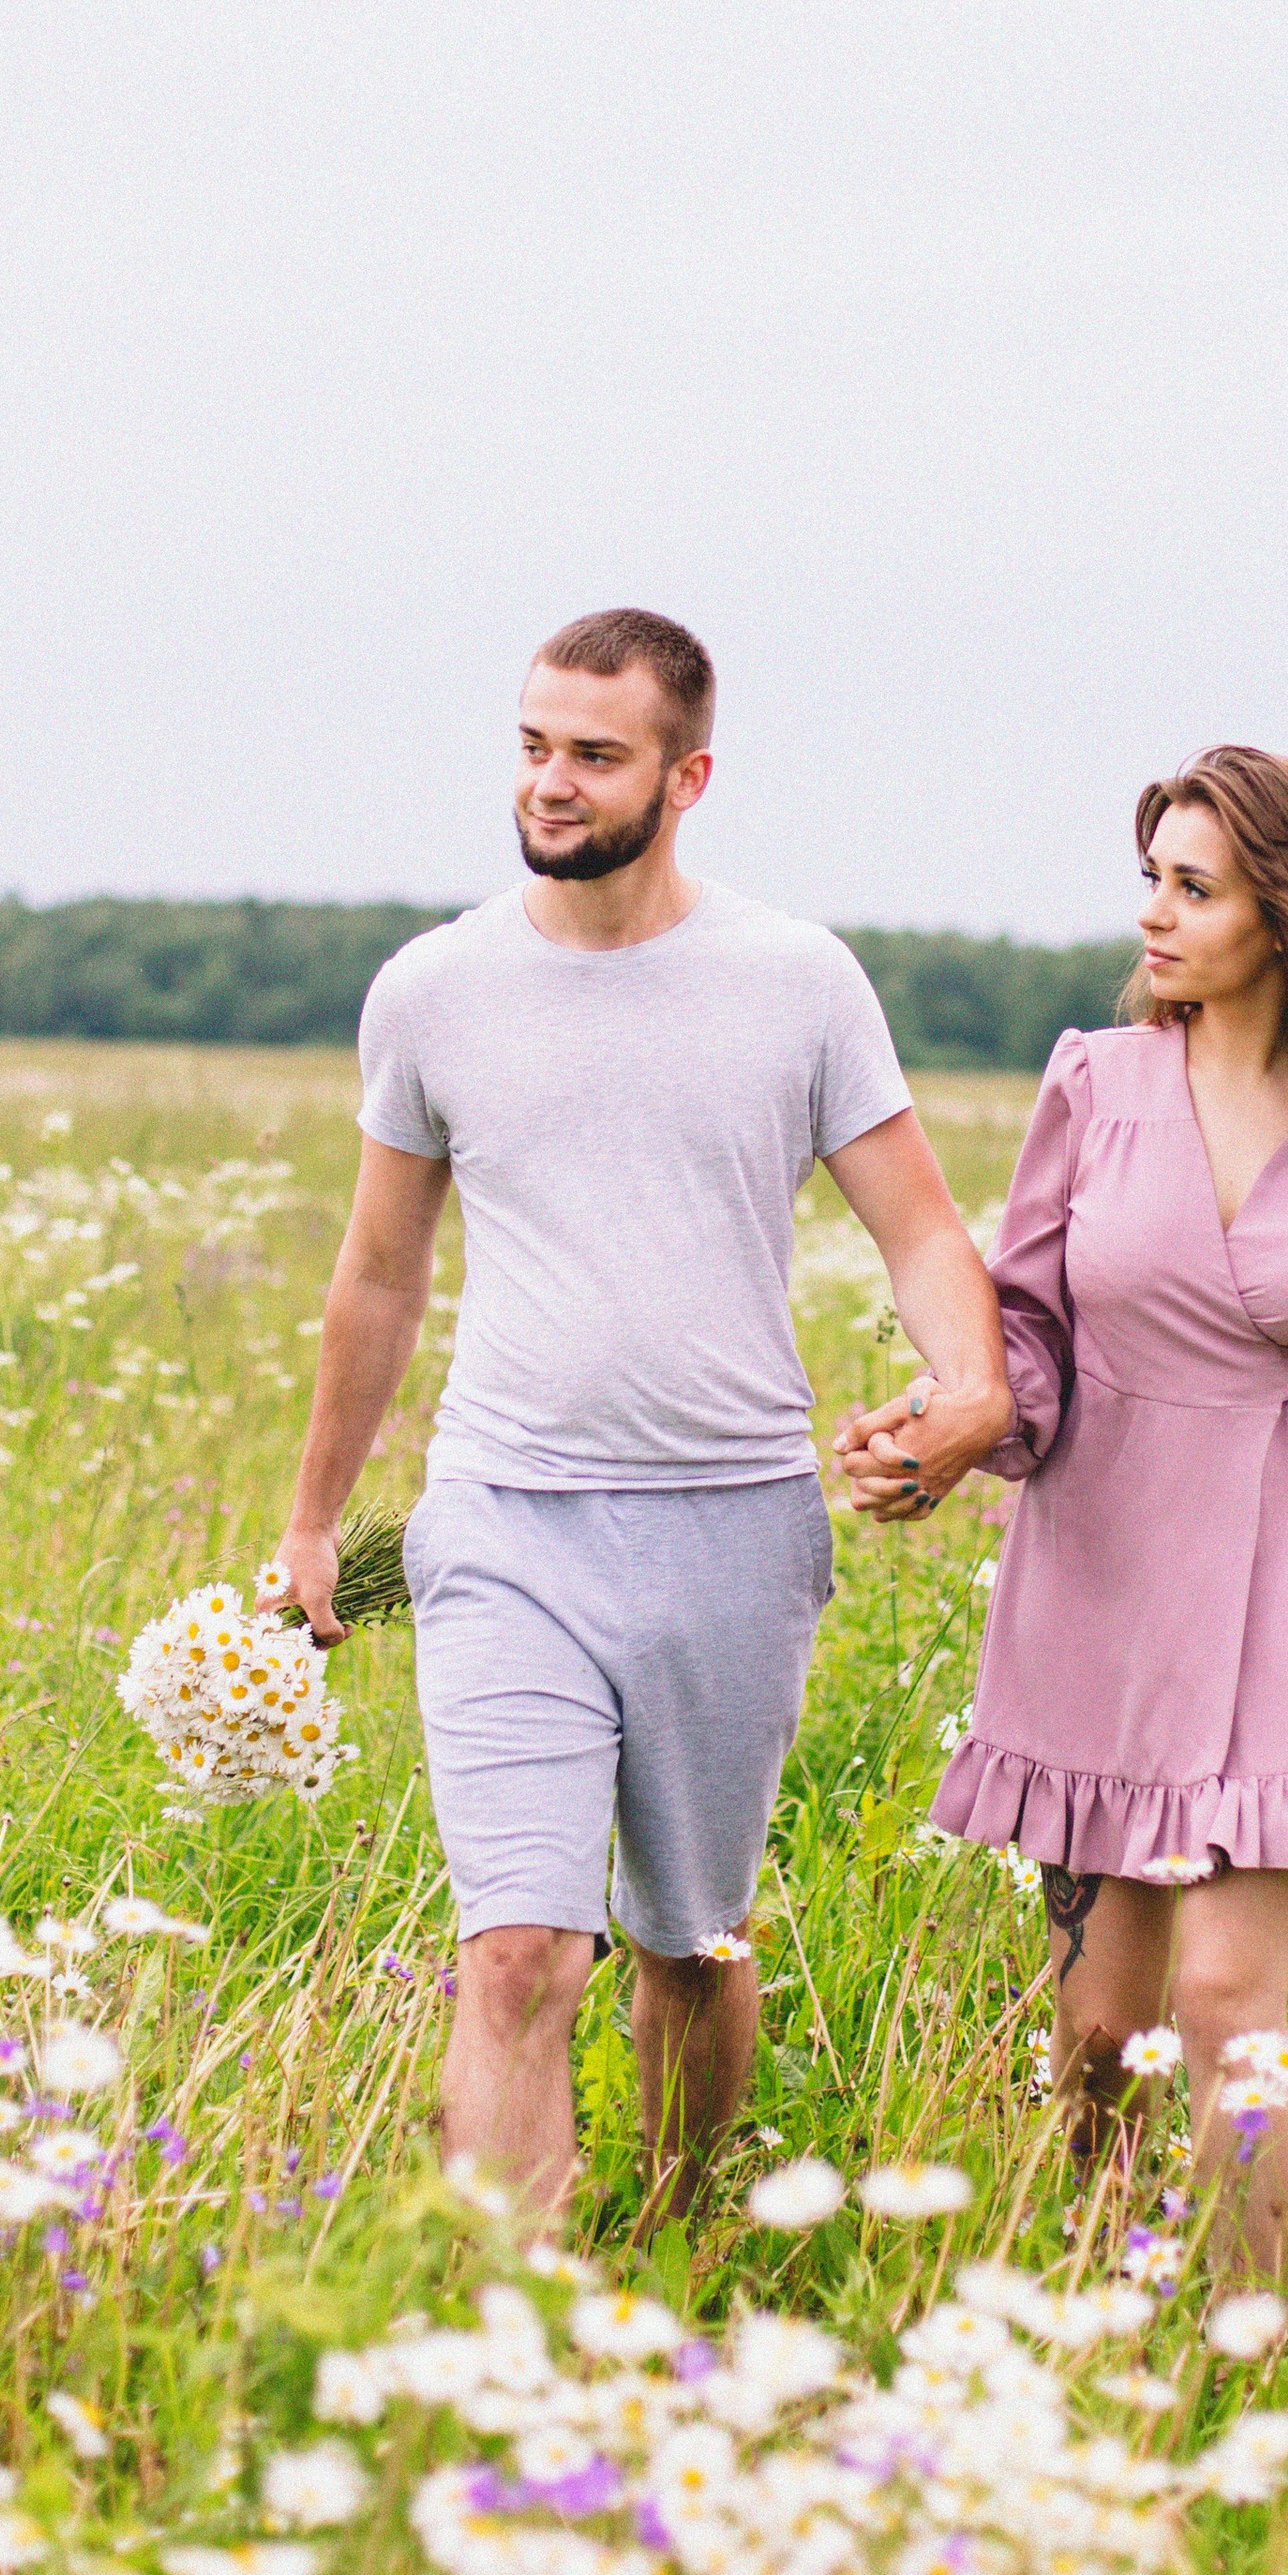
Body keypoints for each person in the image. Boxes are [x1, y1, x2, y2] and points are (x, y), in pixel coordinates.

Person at [267, 607, 1012, 2221]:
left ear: (688, 776)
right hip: (503, 1520)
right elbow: (379, 1275)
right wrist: (318, 1519)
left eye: (593, 755)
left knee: (693, 1943)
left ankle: (678, 2252)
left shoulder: (797, 982)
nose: (551, 782)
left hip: (732, 1529)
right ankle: (514, 2337)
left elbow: (922, 1230)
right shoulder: (435, 990)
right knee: (521, 1950)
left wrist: (972, 1390)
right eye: (534, 746)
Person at [838, 745, 1288, 2270]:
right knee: (1104, 2033)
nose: (1156, 920)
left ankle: (1258, 2341)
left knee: (1227, 2002)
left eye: (1195, 888)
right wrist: (945, 1428)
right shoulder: (1093, 1084)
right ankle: (1109, 2284)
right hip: (1101, 1583)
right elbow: (1023, 1339)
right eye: (1153, 883)